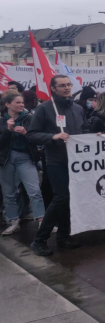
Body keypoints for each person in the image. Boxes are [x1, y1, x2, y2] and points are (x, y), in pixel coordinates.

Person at [26, 75, 84, 256]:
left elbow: (82, 132)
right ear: (53, 88)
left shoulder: (78, 108)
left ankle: (63, 236)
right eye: (62, 85)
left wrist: (94, 136)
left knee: (69, 198)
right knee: (61, 197)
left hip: (75, 161)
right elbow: (32, 134)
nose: (67, 88)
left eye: (68, 84)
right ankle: (39, 240)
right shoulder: (44, 109)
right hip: (55, 160)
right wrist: (52, 137)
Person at [0, 90, 44, 235]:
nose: (21, 105)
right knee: (9, 193)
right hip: (6, 160)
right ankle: (13, 221)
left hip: (25, 158)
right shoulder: (1, 120)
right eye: (17, 102)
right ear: (7, 104)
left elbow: (37, 138)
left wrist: (26, 134)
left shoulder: (28, 119)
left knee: (34, 190)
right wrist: (7, 130)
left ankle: (41, 221)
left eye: (22, 102)